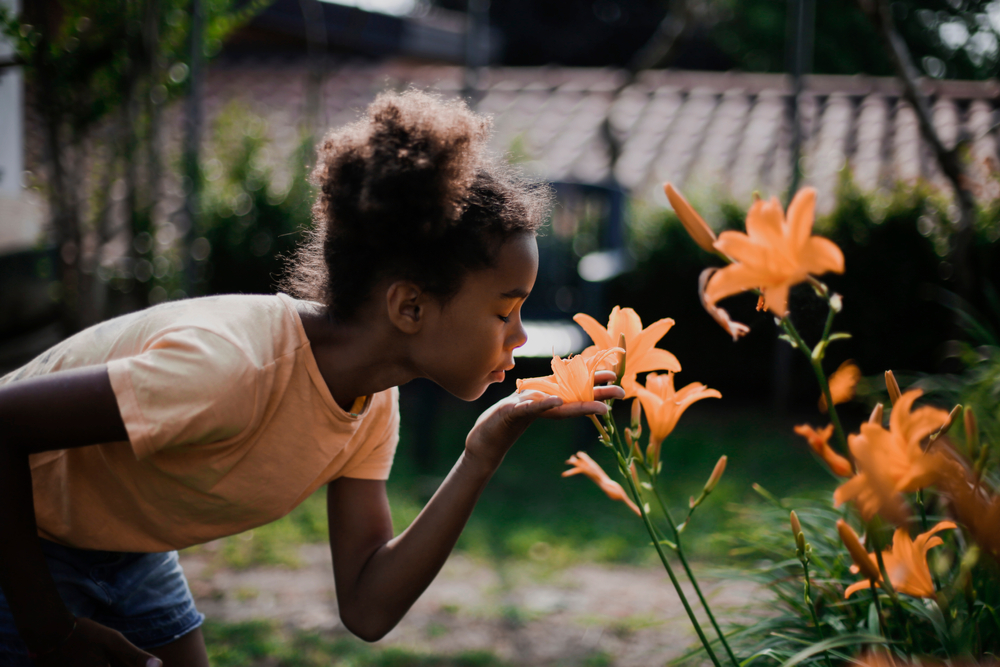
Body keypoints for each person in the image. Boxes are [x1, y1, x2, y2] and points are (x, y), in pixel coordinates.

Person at [0, 90, 622, 666]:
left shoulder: (370, 406)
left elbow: (368, 606)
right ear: (409, 307)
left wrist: (480, 454)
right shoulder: (231, 369)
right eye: (504, 311)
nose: (519, 338)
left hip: (122, 539)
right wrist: (49, 626)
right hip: (20, 528)